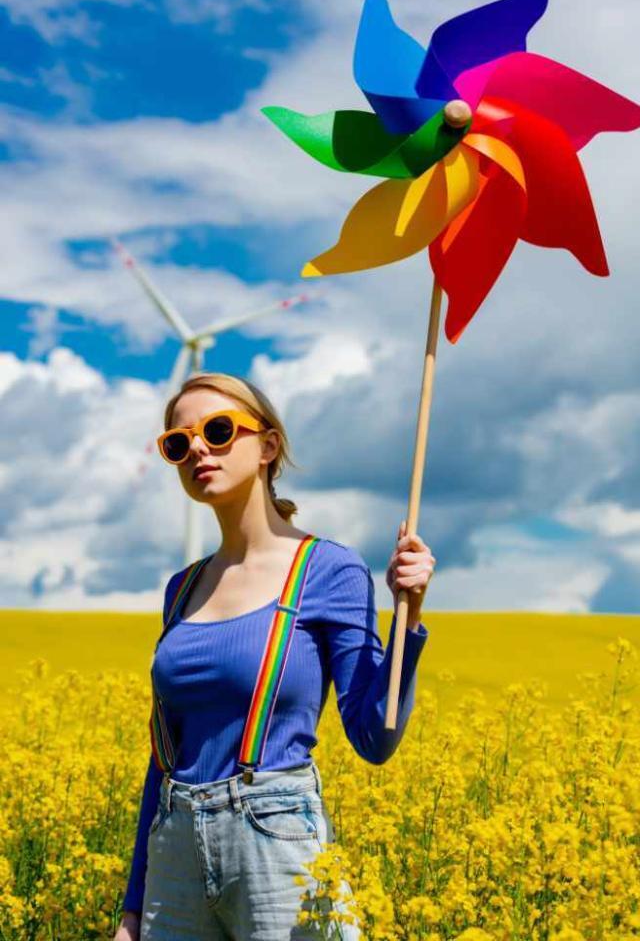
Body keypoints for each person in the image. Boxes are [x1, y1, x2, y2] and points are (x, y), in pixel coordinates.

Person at [114, 371, 434, 941]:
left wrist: (407, 616)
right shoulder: (181, 589)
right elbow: (163, 757)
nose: (198, 450)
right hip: (173, 849)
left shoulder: (328, 569)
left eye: (217, 430)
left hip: (275, 836)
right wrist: (133, 910)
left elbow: (374, 737)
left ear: (268, 446)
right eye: (178, 443)